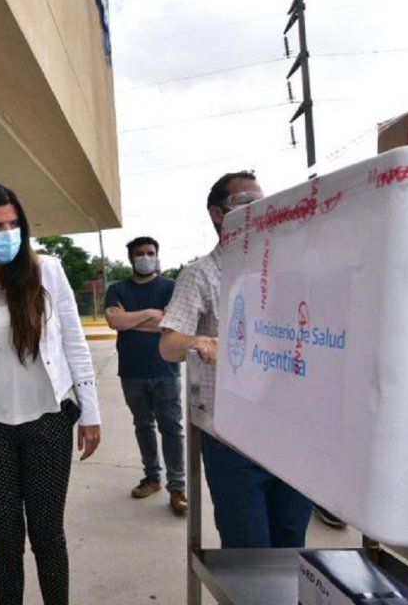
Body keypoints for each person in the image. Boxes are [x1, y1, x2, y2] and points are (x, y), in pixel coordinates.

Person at [0, 182, 102, 605]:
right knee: (5, 539)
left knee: (48, 535)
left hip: (48, 422)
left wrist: (90, 413)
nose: (7, 234)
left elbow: (75, 343)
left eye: (13, 224)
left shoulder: (48, 271)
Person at [159, 170, 313, 548]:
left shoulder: (285, 270)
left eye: (261, 201)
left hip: (290, 431)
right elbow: (169, 344)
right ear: (218, 214)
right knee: (248, 549)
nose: (256, 208)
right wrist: (199, 341)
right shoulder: (200, 275)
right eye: (244, 202)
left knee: (291, 542)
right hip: (233, 439)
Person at [105, 236, 188, 513]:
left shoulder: (171, 287)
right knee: (143, 425)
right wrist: (151, 314)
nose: (146, 257)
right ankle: (152, 477)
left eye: (150, 253)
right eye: (140, 253)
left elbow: (171, 324)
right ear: (131, 258)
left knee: (171, 429)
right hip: (131, 371)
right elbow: (114, 321)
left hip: (166, 369)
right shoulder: (117, 289)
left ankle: (177, 487)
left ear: (157, 255)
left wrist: (131, 319)